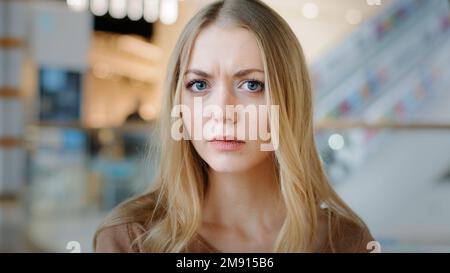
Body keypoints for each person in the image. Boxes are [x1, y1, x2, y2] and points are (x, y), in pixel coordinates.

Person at [94, 0, 374, 253]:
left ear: (291, 100)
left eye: (252, 85)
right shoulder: (130, 239)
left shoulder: (346, 242)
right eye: (199, 85)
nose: (222, 112)